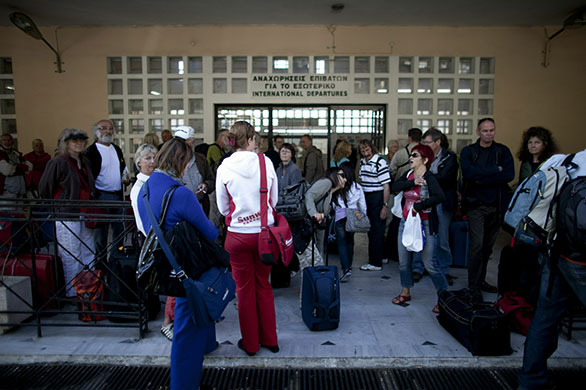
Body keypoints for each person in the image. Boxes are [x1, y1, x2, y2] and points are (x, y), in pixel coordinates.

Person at [137, 137, 218, 390]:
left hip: (165, 263)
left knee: (193, 315)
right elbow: (210, 232)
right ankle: (183, 385)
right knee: (186, 329)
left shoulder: (145, 188)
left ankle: (208, 345)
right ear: (181, 162)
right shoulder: (180, 193)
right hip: (188, 266)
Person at [216, 120, 279, 356]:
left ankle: (251, 344)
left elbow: (223, 208)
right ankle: (270, 340)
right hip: (264, 235)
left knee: (243, 290)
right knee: (264, 285)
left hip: (238, 236)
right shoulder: (266, 162)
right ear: (251, 139)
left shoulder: (224, 166)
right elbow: (273, 200)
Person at [460, 118, 515, 302]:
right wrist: (494, 171)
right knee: (476, 247)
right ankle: (473, 287)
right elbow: (468, 173)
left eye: (492, 130)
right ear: (478, 132)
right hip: (476, 206)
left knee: (487, 248)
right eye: (485, 130)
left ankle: (480, 280)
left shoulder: (502, 151)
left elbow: (508, 175)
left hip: (496, 207)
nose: (489, 133)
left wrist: (481, 177)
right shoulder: (470, 151)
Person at [391, 144, 448, 313]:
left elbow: (440, 196)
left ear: (425, 159)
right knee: (403, 262)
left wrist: (420, 206)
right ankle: (405, 291)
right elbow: (394, 187)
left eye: (414, 155)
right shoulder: (408, 174)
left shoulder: (430, 177)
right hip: (406, 222)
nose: (411, 158)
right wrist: (411, 182)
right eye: (411, 155)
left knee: (430, 263)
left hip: (425, 224)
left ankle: (444, 297)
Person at [38, 129, 95, 296]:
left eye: (81, 140)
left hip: (85, 213)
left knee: (89, 252)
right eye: (73, 140)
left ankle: (90, 289)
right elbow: (44, 187)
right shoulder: (58, 162)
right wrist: (61, 202)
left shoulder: (84, 161)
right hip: (67, 214)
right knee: (71, 254)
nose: (78, 143)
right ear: (65, 142)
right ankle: (73, 293)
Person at [83, 119, 130, 263]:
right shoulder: (91, 152)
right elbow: (88, 176)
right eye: (104, 128)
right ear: (96, 132)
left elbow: (123, 169)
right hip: (100, 197)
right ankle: (101, 267)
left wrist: (125, 178)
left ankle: (116, 264)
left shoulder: (116, 149)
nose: (108, 131)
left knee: (119, 232)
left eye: (110, 128)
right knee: (100, 236)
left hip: (117, 195)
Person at [420, 128, 459, 285]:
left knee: (442, 237)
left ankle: (443, 269)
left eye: (428, 142)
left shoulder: (450, 157)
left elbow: (445, 178)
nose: (425, 145)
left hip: (443, 202)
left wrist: (427, 178)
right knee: (423, 236)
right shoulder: (423, 156)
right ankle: (420, 268)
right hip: (425, 201)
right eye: (423, 142)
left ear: (438, 142)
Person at [358, 139, 391, 271]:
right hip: (367, 197)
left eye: (367, 150)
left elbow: (386, 186)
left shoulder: (380, 162)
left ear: (372, 148)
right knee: (373, 229)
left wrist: (385, 205)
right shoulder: (362, 162)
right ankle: (381, 256)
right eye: (363, 151)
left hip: (377, 196)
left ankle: (375, 262)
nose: (365, 152)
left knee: (376, 231)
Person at [332, 162, 366, 282]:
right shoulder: (357, 187)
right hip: (353, 216)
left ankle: (346, 268)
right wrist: (362, 215)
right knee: (350, 242)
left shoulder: (337, 186)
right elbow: (363, 205)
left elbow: (332, 203)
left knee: (341, 243)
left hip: (340, 216)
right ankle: (349, 266)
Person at [305, 167, 347, 261]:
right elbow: (309, 195)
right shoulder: (326, 183)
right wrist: (314, 213)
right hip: (309, 222)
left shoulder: (333, 192)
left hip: (319, 224)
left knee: (319, 249)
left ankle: (318, 269)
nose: (345, 179)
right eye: (342, 176)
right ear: (334, 175)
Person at [174, 126, 215, 217]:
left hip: (199, 208)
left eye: (183, 142)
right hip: (176, 210)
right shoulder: (169, 160)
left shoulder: (200, 159)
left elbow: (211, 180)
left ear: (191, 143)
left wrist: (206, 186)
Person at [129, 144, 157, 236]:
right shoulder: (138, 188)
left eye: (155, 157)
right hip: (151, 237)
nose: (152, 161)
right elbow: (141, 220)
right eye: (148, 158)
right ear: (139, 162)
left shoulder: (158, 181)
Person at [0, 133, 31, 202]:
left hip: (20, 190)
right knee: (8, 211)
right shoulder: (0, 154)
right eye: (4, 140)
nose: (7, 142)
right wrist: (21, 168)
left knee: (19, 211)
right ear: (1, 142)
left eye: (9, 140)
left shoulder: (16, 153)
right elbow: (7, 170)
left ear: (13, 141)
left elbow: (29, 167)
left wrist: (16, 167)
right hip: (6, 191)